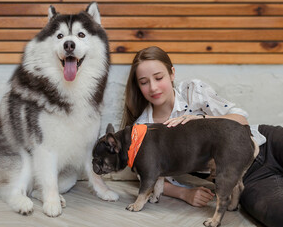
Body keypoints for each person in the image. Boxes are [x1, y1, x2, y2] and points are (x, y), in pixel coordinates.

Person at [120, 46, 283, 227]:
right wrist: (185, 194)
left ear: (172, 73)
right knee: (276, 215)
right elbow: (147, 177)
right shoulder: (141, 130)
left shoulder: (192, 90)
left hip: (266, 141)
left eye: (159, 78)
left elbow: (241, 119)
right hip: (247, 177)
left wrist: (202, 119)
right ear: (137, 85)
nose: (153, 87)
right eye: (144, 82)